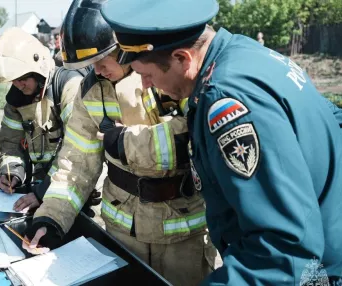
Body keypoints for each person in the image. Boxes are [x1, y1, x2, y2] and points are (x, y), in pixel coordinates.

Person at [100, 0, 342, 284]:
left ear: (182, 58)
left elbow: (282, 251)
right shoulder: (247, 53)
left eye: (147, 75)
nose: (144, 85)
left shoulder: (226, 103)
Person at [22, 1, 216, 285]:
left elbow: (195, 138)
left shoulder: (166, 72)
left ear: (124, 44)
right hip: (123, 233)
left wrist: (126, 143)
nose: (97, 71)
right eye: (90, 66)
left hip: (183, 236)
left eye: (102, 61)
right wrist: (51, 218)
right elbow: (76, 164)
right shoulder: (90, 92)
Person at [0, 27, 98, 214]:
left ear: (38, 66)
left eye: (23, 78)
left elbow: (77, 151)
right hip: (38, 188)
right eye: (13, 80)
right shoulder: (16, 99)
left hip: (68, 184)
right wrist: (11, 172)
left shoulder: (68, 87)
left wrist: (43, 192)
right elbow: (10, 143)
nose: (19, 85)